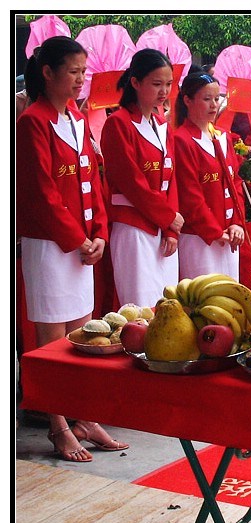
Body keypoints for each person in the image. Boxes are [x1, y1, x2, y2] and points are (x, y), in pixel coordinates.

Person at [17, 36, 128, 461]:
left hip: (83, 244)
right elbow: (40, 193)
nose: (82, 80)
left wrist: (99, 231)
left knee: (83, 336)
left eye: (85, 72)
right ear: (48, 73)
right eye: (74, 72)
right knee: (51, 342)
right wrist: (76, 239)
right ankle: (57, 424)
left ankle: (83, 416)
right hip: (52, 246)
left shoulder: (78, 120)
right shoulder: (32, 121)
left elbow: (93, 182)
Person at [101, 48, 182, 307]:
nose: (164, 91)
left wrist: (171, 229)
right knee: (139, 308)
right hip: (134, 228)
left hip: (162, 229)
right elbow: (132, 182)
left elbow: (171, 180)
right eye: (156, 84)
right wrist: (168, 217)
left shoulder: (162, 125)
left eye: (168, 84)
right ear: (135, 82)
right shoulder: (118, 124)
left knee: (168, 306)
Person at [173, 72, 245, 281]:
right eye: (206, 99)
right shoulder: (182, 140)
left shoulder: (222, 136)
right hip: (199, 239)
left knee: (232, 300)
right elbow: (189, 195)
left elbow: (236, 183)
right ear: (187, 100)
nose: (213, 105)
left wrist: (237, 223)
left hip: (229, 236)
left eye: (216, 98)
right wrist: (214, 231)